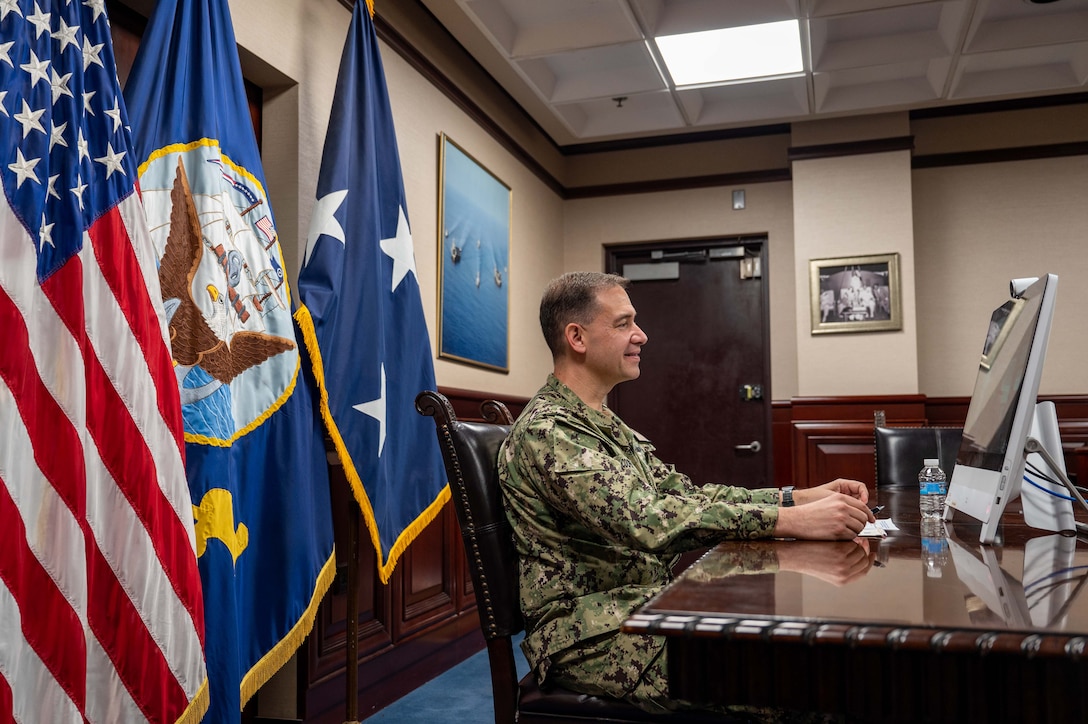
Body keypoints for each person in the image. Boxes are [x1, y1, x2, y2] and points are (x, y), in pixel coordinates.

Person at [498, 271, 875, 718]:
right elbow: (648, 520)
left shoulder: (602, 424)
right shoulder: (551, 431)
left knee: (807, 653)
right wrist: (789, 523)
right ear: (577, 337)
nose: (641, 335)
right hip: (591, 636)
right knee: (801, 681)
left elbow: (688, 496)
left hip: (644, 608)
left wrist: (796, 499)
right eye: (623, 324)